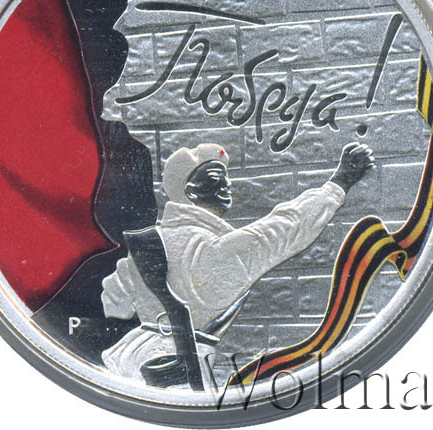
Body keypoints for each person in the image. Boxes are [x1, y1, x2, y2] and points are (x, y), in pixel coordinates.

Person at [100, 141, 374, 385]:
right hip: (176, 371)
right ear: (191, 192)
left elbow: (113, 302)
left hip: (127, 359)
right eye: (216, 178)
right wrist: (338, 184)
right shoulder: (210, 248)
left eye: (226, 177)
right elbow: (281, 229)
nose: (227, 184)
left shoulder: (147, 242)